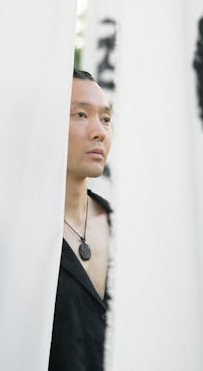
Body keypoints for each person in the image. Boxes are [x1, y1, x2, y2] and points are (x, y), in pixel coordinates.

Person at [48, 69, 113, 371]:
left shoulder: (126, 229)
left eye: (106, 119)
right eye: (81, 115)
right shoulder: (10, 240)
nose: (99, 131)